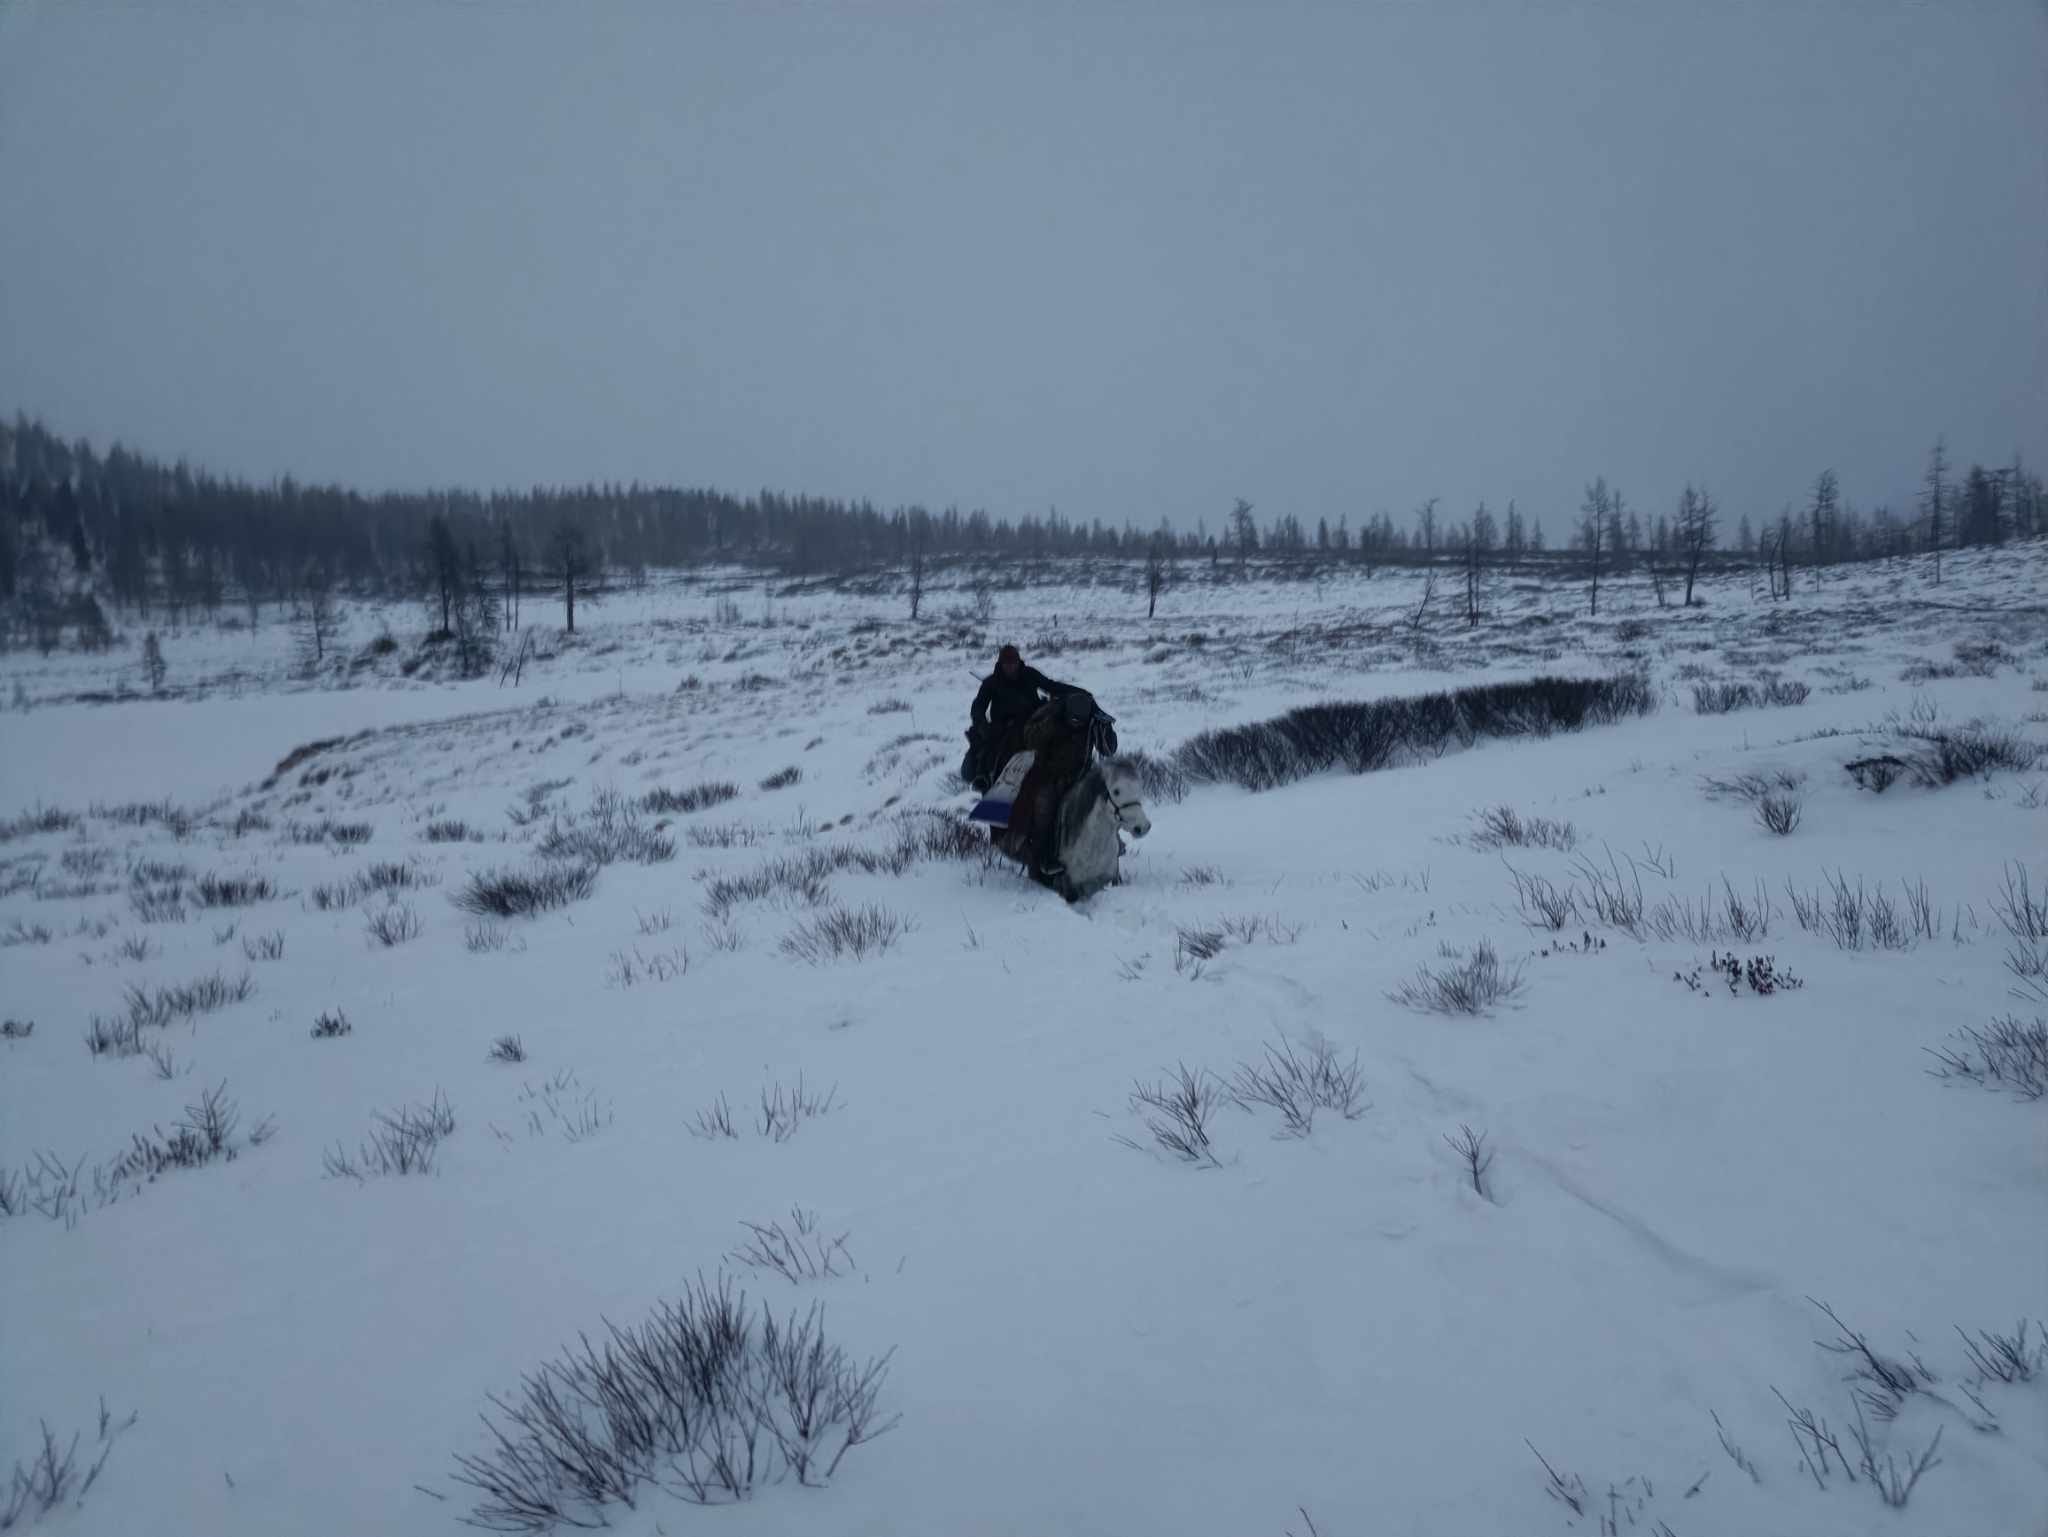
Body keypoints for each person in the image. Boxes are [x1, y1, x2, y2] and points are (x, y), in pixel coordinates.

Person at [1007, 689, 1101, 882]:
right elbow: (1030, 738)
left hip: (1082, 776)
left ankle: (1109, 852)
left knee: (1105, 807)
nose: (1077, 725)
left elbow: (1109, 748)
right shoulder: (1050, 716)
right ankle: (1043, 859)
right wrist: (1051, 725)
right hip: (1048, 776)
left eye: (1080, 722)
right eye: (1073, 720)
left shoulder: (1092, 720)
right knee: (1045, 812)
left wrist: (1105, 729)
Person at [965, 645, 1074, 790]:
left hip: (1033, 723)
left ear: (1018, 662)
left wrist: (1078, 693)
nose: (1010, 667)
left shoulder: (1030, 674)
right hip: (1003, 727)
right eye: (1006, 664)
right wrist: (981, 724)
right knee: (987, 748)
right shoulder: (991, 683)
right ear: (1001, 664)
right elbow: (978, 707)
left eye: (1013, 663)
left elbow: (1051, 686)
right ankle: (983, 778)